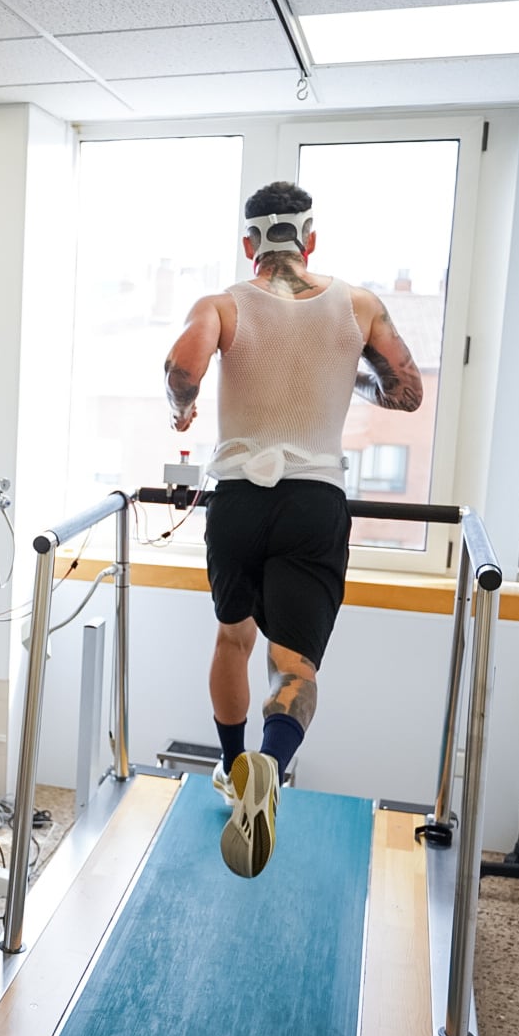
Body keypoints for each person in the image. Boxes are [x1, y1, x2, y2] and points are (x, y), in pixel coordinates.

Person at [162, 181, 423, 879]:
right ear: (309, 240)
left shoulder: (222, 303)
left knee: (232, 635)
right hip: (314, 501)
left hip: (240, 497)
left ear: (250, 244)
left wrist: (181, 411)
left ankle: (230, 767)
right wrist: (350, 378)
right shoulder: (358, 304)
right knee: (294, 666)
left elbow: (183, 366)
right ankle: (269, 767)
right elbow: (406, 389)